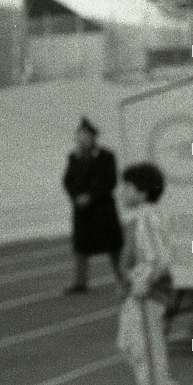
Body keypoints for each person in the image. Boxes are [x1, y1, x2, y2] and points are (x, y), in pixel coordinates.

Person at [115, 162, 183, 385]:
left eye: (128, 187)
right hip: (137, 289)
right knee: (127, 343)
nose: (122, 191)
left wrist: (143, 283)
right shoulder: (140, 217)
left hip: (148, 293)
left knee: (145, 347)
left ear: (142, 193)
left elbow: (159, 258)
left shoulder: (148, 217)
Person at [62, 117, 123, 293]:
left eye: (85, 135)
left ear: (93, 137)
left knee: (113, 246)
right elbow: (68, 180)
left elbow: (110, 181)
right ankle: (80, 282)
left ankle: (123, 278)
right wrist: (76, 196)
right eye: (80, 135)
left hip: (102, 209)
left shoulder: (106, 156)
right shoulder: (74, 157)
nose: (82, 139)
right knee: (81, 246)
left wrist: (91, 196)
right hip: (82, 211)